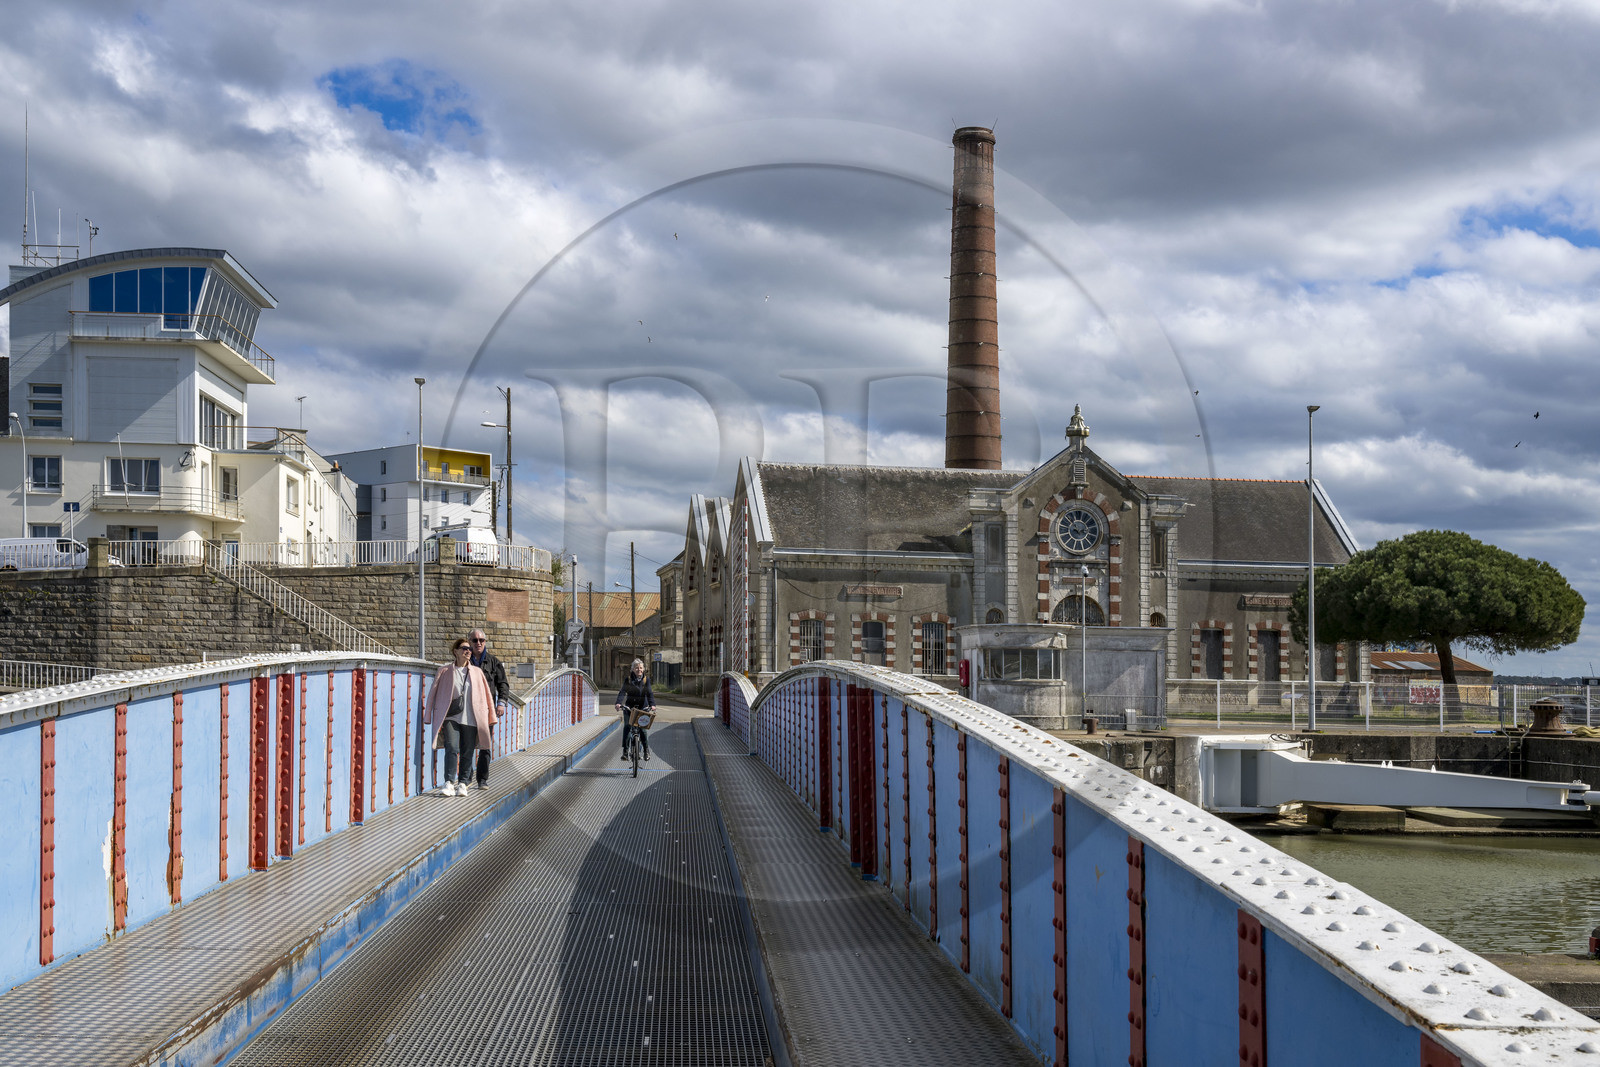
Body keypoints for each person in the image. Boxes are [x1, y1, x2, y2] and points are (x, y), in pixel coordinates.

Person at [427, 637, 497, 796]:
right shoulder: (444, 671)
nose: (468, 651)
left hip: (472, 717)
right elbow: (432, 693)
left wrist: (491, 716)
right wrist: (428, 715)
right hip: (451, 716)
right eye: (464, 648)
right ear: (455, 651)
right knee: (451, 747)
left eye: (470, 649)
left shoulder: (477, 672)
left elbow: (487, 695)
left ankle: (463, 783)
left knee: (468, 751)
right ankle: (449, 782)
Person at [469, 629, 511, 790]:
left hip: (487, 710)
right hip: (467, 710)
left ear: (485, 642)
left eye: (481, 640)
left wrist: (501, 702)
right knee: (466, 746)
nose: (478, 643)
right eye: (474, 640)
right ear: (470, 642)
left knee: (485, 745)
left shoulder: (494, 662)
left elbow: (503, 684)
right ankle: (464, 779)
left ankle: (482, 780)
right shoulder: (464, 661)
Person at [615, 657, 656, 761]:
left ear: (643, 669)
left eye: (641, 668)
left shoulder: (646, 680)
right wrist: (619, 703)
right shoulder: (628, 680)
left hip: (643, 707)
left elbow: (650, 693)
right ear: (633, 669)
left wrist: (652, 705)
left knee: (642, 729)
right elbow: (622, 692)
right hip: (630, 707)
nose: (639, 670)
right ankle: (625, 751)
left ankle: (646, 750)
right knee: (627, 727)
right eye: (637, 668)